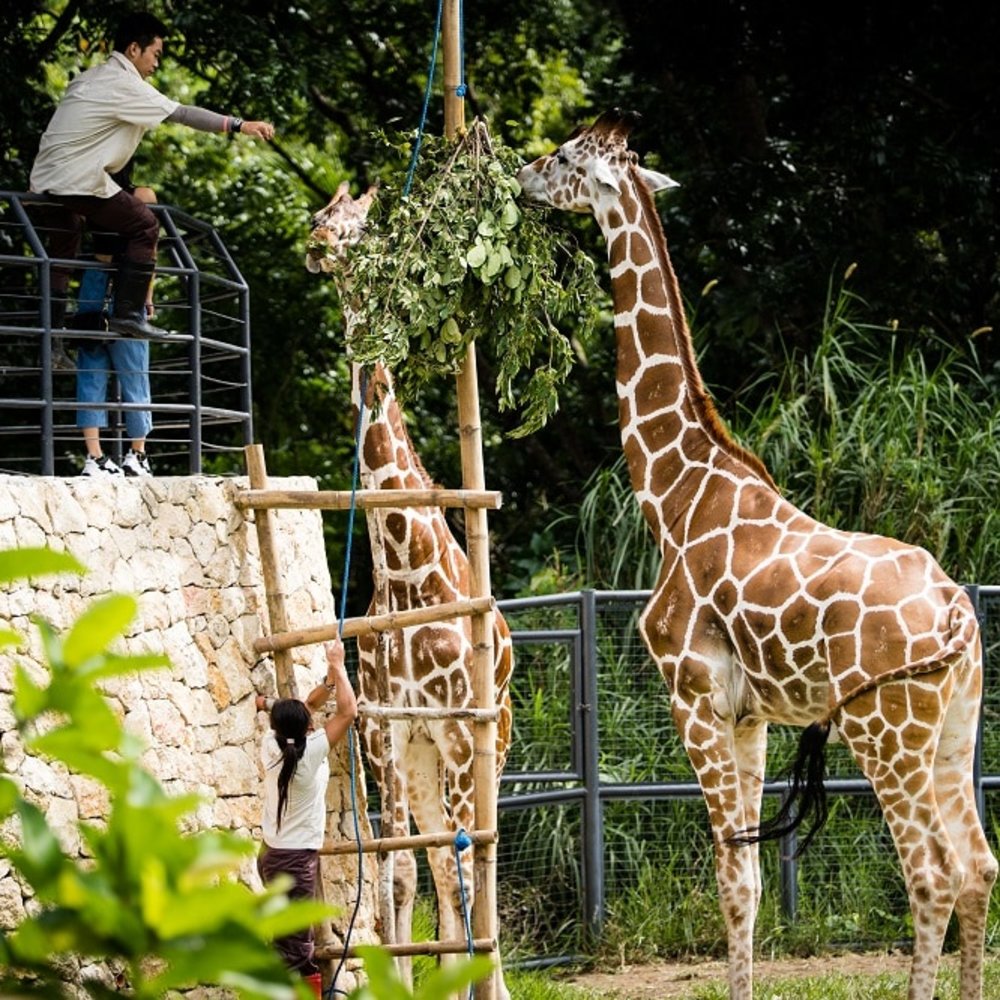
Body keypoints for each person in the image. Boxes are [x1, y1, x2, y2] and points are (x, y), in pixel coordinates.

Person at [29, 10, 275, 476]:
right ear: (135, 49)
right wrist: (240, 125)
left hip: (47, 181)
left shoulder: (91, 79)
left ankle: (53, 339)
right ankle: (126, 317)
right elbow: (181, 113)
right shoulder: (125, 84)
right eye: (156, 53)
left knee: (60, 250)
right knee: (145, 225)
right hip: (75, 180)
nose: (157, 63)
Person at [255, 639, 358, 997]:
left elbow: (304, 708)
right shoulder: (310, 753)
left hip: (270, 854)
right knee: (297, 950)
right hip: (295, 861)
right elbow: (348, 712)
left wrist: (327, 683)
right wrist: (339, 665)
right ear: (305, 726)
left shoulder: (272, 744)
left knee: (283, 938)